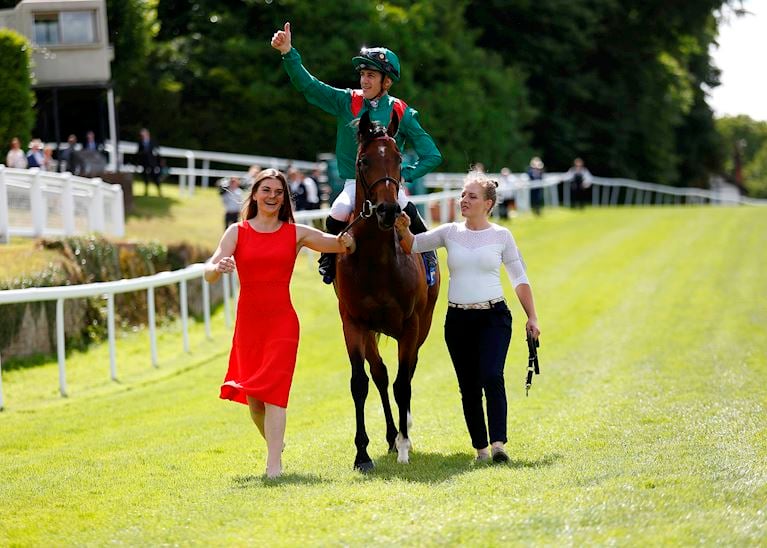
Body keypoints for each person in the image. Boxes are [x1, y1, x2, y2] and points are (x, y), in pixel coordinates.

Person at [204, 168, 356, 478]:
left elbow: (338, 244)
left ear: (285, 198)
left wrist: (351, 238)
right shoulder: (237, 231)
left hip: (282, 323)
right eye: (267, 190)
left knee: (274, 391)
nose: (273, 196)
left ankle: (274, 465)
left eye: (278, 192)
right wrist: (218, 266)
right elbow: (209, 269)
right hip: (248, 326)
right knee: (255, 401)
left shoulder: (295, 232)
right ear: (255, 194)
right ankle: (277, 444)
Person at [271, 22, 442, 284]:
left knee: (410, 213)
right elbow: (309, 86)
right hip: (354, 184)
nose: (364, 80)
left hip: (389, 185)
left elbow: (432, 155)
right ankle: (328, 260)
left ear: (387, 81)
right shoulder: (345, 101)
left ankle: (428, 257)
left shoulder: (401, 111)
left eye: (371, 75)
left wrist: (404, 174)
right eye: (362, 74)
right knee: (336, 215)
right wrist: (288, 52)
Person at [395, 169, 541, 463]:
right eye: (463, 195)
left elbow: (519, 277)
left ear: (488, 203)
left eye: (471, 196)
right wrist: (402, 228)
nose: (464, 200)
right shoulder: (449, 232)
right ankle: (482, 450)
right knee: (469, 385)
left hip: (494, 317)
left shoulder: (502, 235)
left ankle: (499, 444)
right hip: (458, 321)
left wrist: (532, 316)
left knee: (492, 375)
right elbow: (413, 244)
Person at [136, 128, 162, 196]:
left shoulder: (153, 141)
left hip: (152, 163)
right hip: (144, 163)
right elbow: (138, 153)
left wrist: (158, 164)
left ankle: (159, 192)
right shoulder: (140, 142)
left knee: (155, 178)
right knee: (145, 178)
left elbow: (157, 152)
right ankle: (146, 192)